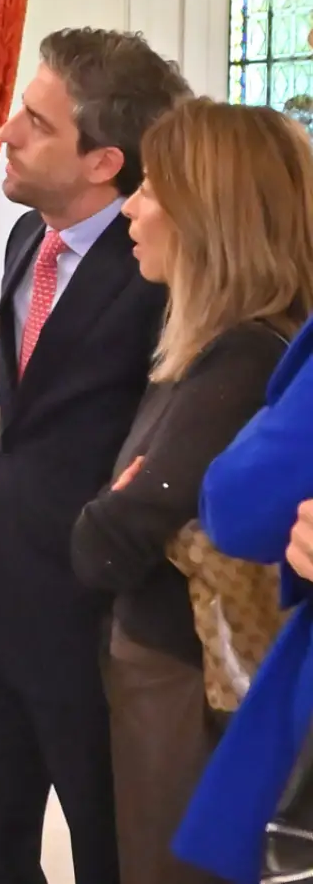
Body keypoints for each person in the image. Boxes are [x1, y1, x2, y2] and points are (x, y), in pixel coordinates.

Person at [0, 28, 191, 884]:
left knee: (105, 842)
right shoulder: (21, 240)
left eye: (37, 123)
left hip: (97, 611)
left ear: (103, 161)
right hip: (1, 593)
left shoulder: (159, 265)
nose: (5, 131)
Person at [68, 99, 313, 884]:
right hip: (171, 671)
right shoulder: (214, 346)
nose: (130, 208)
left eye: (149, 189)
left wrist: (118, 499)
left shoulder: (242, 360)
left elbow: (107, 540)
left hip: (184, 684)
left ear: (207, 216)